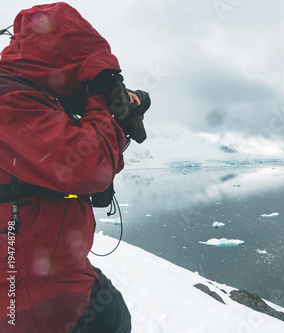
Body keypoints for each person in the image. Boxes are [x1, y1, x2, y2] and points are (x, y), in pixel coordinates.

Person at [0, 3, 150, 332]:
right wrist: (102, 100)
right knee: (113, 318)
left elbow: (91, 168)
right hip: (30, 298)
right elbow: (88, 167)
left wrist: (114, 121)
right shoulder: (10, 101)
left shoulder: (36, 96)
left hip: (46, 274)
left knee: (111, 308)